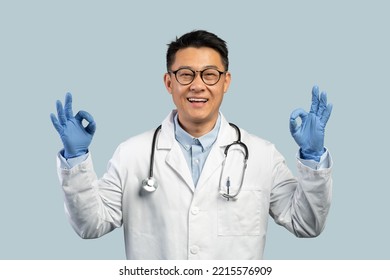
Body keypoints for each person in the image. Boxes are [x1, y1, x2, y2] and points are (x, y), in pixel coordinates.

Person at [50, 30, 333, 260]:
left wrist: (312, 157)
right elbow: (90, 225)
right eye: (186, 74)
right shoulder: (132, 154)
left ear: (226, 82)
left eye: (210, 74)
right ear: (168, 82)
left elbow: (306, 223)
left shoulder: (261, 155)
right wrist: (76, 159)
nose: (198, 85)